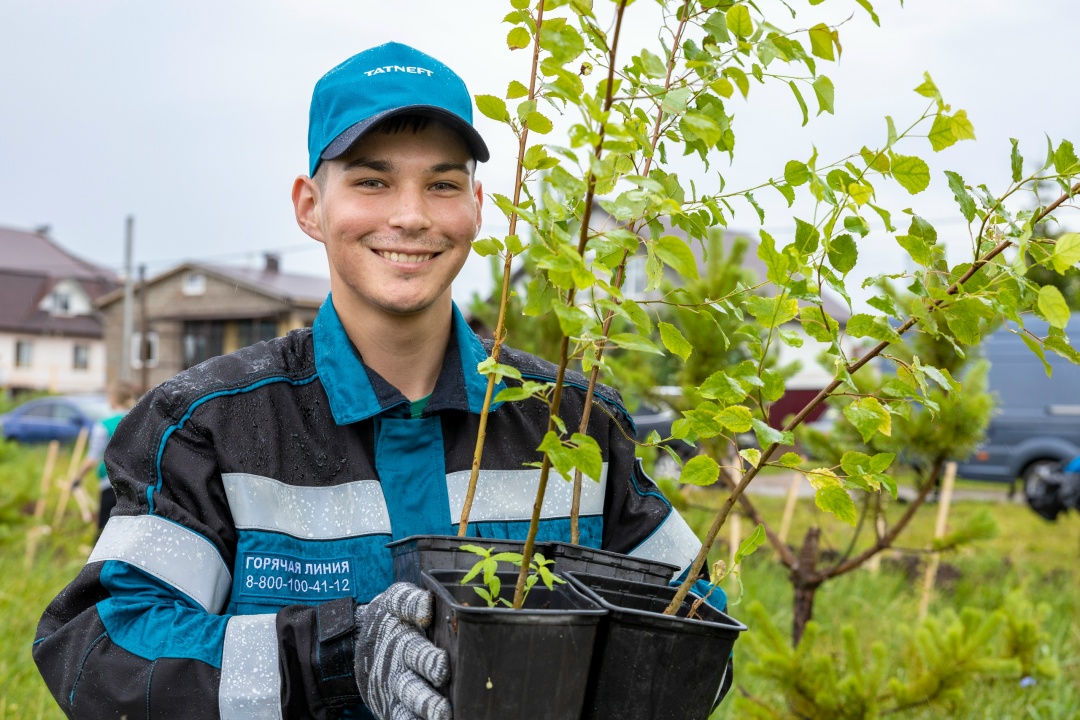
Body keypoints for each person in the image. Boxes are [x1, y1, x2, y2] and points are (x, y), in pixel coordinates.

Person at [34, 42, 724, 719]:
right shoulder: (208, 427)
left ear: (478, 208)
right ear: (309, 205)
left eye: (443, 184)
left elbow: (698, 628)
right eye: (372, 181)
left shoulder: (571, 420)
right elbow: (103, 656)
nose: (412, 215)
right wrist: (335, 657)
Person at [67, 382, 138, 531]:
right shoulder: (139, 422)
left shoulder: (104, 425)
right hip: (138, 484)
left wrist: (77, 478)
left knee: (104, 530)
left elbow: (92, 459)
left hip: (111, 483)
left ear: (112, 399)